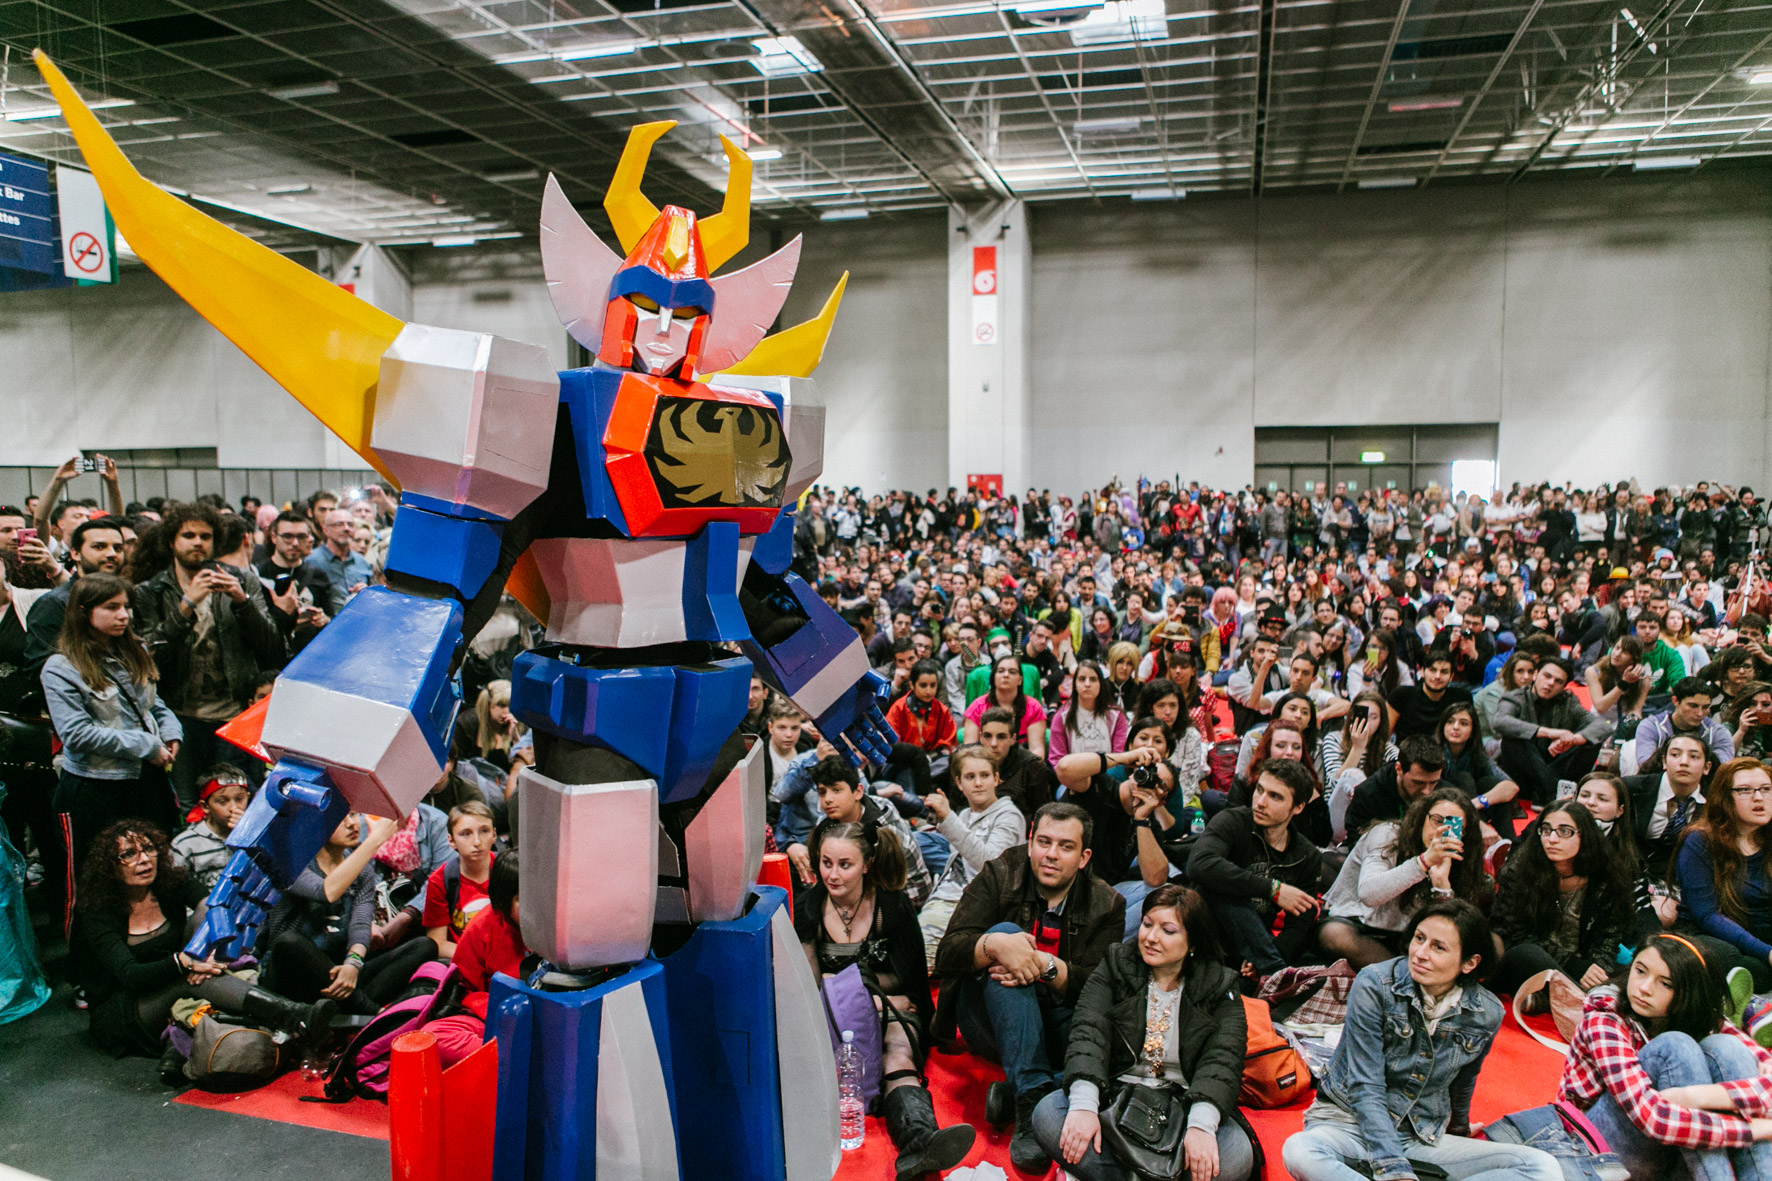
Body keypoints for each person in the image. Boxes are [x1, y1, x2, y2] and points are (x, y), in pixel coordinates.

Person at [1284, 898, 1562, 1181]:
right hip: (1349, 1124)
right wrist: (1394, 1169)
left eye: (1438, 947)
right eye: (1419, 938)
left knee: (1542, 1167)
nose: (1420, 953)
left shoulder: (1487, 1012)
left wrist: (1459, 1131)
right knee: (1300, 1150)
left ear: (1469, 963)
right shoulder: (1375, 983)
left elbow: (1464, 1083)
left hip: (1417, 1134)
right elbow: (1365, 1084)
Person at [933, 802, 1127, 1174]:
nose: (1051, 854)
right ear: (1030, 840)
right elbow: (948, 953)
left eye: (1065, 847)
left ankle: (1018, 1089)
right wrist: (993, 946)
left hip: (1059, 1023)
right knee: (1005, 933)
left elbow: (1102, 988)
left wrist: (1044, 966)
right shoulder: (1000, 873)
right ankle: (1033, 1096)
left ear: (1084, 857)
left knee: (1123, 1037)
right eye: (1044, 842)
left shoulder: (1107, 903)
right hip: (990, 1019)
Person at [1034, 884, 1257, 1181]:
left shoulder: (1219, 985)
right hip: (1114, 1095)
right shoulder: (1115, 964)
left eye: (1168, 930)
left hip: (1182, 1104)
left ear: (1193, 942)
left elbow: (1222, 1062)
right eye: (1147, 924)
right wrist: (1084, 1106)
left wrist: (1201, 1127)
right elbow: (1089, 1034)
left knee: (1235, 1156)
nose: (1151, 937)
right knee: (1048, 1114)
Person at [796, 819, 976, 1181]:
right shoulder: (809, 907)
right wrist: (863, 996)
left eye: (845, 865)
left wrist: (854, 989)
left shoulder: (892, 905)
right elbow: (809, 988)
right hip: (834, 1017)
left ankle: (919, 1141)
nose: (833, 875)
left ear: (867, 865)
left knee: (897, 1053)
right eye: (826, 863)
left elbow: (910, 982)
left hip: (891, 1008)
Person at [77, 820, 329, 1063]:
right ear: (109, 866)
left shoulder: (169, 882)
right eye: (129, 854)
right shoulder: (96, 914)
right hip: (129, 1007)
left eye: (149, 849)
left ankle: (291, 1016)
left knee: (205, 913)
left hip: (180, 976)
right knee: (189, 979)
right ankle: (294, 1014)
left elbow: (214, 909)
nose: (144, 859)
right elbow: (131, 975)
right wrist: (184, 962)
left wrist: (208, 953)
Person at [1559, 932, 1772, 1181]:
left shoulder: (1697, 1015)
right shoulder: (1605, 1018)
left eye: (1666, 984)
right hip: (1590, 1154)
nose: (1644, 988)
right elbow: (1653, 1118)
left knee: (1727, 1047)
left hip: (1669, 1152)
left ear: (1687, 994)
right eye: (1640, 971)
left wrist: (1696, 1096)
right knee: (1675, 1046)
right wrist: (1751, 1129)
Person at [132, 504, 284, 809]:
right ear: (172, 541)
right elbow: (149, 658)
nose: (198, 542)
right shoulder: (152, 590)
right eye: (188, 535)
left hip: (234, 712)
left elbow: (272, 647)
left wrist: (242, 601)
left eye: (205, 536)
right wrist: (185, 607)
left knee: (239, 802)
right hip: (180, 714)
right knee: (188, 803)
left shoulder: (242, 580)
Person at [42, 573, 183, 879]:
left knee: (154, 870)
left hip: (146, 781)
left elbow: (152, 704)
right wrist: (147, 745)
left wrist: (170, 730)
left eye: (126, 606)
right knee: (98, 877)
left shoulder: (134, 649)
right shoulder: (61, 667)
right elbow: (76, 734)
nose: (124, 615)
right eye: (112, 607)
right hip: (97, 786)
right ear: (83, 611)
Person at [259, 811, 437, 1013]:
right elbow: (325, 892)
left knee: (424, 946)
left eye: (352, 815)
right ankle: (367, 1009)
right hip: (294, 976)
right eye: (339, 819)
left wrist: (353, 963)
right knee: (289, 941)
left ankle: (342, 1007)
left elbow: (360, 924)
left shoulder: (363, 870)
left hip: (340, 972)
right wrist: (374, 841)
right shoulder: (289, 862)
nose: (352, 824)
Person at [1319, 788, 1490, 969]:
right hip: (1359, 923)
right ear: (1422, 817)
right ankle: (1407, 976)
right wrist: (1422, 862)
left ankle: (1412, 973)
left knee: (1488, 945)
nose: (1441, 832)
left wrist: (1442, 888)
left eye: (1454, 827)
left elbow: (1451, 930)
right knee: (1335, 935)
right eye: (1437, 821)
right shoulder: (1387, 834)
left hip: (1412, 938)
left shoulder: (1461, 860)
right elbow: (1369, 895)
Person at [1185, 758, 1323, 976]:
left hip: (1253, 945)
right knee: (1219, 884)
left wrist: (1260, 959)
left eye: (1275, 796)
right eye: (1259, 790)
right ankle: (1276, 972)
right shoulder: (1233, 820)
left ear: (1298, 807)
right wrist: (1273, 889)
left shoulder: (1307, 855)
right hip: (1204, 933)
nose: (1260, 802)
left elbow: (1300, 924)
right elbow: (1199, 864)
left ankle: (1268, 968)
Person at [1492, 800, 1633, 999]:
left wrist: (1597, 970)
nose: (1552, 839)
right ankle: (1583, 998)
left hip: (1580, 963)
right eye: (1546, 830)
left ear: (1585, 836)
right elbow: (1516, 934)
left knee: (1632, 971)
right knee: (1527, 954)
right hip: (1529, 963)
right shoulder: (1520, 870)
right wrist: (1576, 966)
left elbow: (1607, 936)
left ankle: (1559, 999)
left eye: (1564, 831)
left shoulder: (1605, 875)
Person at [1675, 757, 1772, 991]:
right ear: (1724, 797)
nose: (1759, 798)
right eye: (1745, 790)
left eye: (1766, 789)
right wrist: (1767, 953)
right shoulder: (1700, 841)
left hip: (1763, 936)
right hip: (1713, 936)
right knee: (1748, 969)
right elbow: (1707, 915)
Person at [1494, 656, 1609, 805]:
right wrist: (1548, 732)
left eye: (1558, 681)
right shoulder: (1515, 698)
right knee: (1515, 738)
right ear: (1535, 675)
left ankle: (1550, 791)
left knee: (1590, 739)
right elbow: (1500, 721)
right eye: (1547, 676)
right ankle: (1551, 791)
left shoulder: (1568, 701)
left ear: (1563, 687)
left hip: (1556, 765)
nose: (1550, 683)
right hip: (1525, 773)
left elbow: (1602, 726)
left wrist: (1573, 739)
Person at [1578, 772, 1681, 938]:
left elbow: (1641, 906)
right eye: (1584, 795)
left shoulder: (1623, 852)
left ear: (1620, 811)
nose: (1590, 803)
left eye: (1602, 799)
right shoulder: (1551, 834)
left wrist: (1654, 945)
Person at [1628, 732, 1718, 890]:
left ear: (1707, 767)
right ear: (1664, 761)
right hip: (1631, 877)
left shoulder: (1715, 802)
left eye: (1694, 757)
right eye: (1675, 755)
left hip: (1685, 881)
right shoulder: (1630, 789)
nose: (1684, 762)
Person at [423, 801, 499, 960]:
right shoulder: (440, 881)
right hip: (464, 958)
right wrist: (479, 958)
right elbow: (437, 942)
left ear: (494, 835)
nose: (477, 842)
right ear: (451, 840)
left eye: (484, 831)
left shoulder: (509, 869)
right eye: (466, 834)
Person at [1436, 700, 1522, 834]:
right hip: (1442, 813)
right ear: (1442, 727)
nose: (1456, 727)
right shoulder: (1433, 751)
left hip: (1472, 809)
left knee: (1489, 782)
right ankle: (1477, 834)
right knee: (1464, 778)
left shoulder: (1477, 754)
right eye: (1450, 722)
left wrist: (1478, 802)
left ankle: (1509, 843)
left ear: (1472, 731)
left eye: (1463, 723)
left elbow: (1511, 787)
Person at [1342, 733, 1446, 840]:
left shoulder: (1446, 796)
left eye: (1433, 782)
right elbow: (1355, 842)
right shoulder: (1368, 794)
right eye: (1418, 783)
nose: (1427, 791)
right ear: (1399, 769)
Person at [168, 764, 251, 889]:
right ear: (205, 806)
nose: (233, 808)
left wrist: (246, 835)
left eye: (239, 799)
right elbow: (173, 888)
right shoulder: (185, 844)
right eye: (222, 802)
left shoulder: (256, 837)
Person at [1634, 677, 1736, 774]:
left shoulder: (1718, 732)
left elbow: (1723, 770)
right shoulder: (1651, 727)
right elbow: (1646, 766)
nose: (1700, 713)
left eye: (1705, 707)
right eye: (1693, 706)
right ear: (1675, 701)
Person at [965, 653, 1049, 757]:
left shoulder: (1033, 707)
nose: (1006, 675)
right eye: (1001, 671)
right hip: (984, 761)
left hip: (1022, 761)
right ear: (993, 678)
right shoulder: (977, 707)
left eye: (1012, 672)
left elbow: (1037, 750)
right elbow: (969, 751)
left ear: (1020, 680)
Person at [1046, 660, 1129, 765]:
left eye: (1093, 679)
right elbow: (1057, 760)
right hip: (1072, 774)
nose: (1087, 684)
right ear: (1074, 685)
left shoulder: (1116, 716)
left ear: (1101, 684)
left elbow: (1119, 757)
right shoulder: (1061, 716)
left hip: (1109, 773)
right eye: (1082, 679)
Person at [1387, 647, 1473, 742]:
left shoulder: (1461, 697)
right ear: (1423, 672)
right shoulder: (1402, 695)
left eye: (1444, 672)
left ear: (1451, 676)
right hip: (1405, 749)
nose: (1437, 676)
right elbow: (1384, 735)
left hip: (1444, 750)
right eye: (1432, 670)